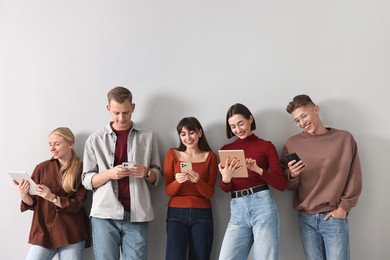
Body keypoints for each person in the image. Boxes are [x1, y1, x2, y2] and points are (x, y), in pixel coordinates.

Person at [82, 86, 162, 260]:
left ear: (133, 107)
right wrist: (109, 174)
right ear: (108, 109)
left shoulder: (148, 137)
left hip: (137, 215)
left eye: (126, 112)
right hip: (104, 215)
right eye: (116, 113)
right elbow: (87, 180)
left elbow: (157, 175)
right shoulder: (95, 140)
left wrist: (146, 172)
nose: (121, 118)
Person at [280, 94, 362, 260]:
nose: (302, 123)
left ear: (316, 109)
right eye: (297, 120)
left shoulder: (344, 139)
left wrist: (343, 209)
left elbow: (354, 176)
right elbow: (287, 184)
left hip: (333, 215)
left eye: (304, 115)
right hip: (306, 219)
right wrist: (292, 175)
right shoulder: (292, 143)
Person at [218, 103, 287, 260]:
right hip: (237, 210)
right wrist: (226, 179)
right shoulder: (226, 150)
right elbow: (224, 188)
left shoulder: (266, 146)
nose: (238, 129)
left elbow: (281, 184)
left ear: (250, 119)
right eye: (233, 126)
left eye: (240, 123)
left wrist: (259, 170)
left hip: (262, 206)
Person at [13, 127, 90, 260]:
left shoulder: (82, 169)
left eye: (57, 144)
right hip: (44, 232)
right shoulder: (42, 168)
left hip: (71, 233)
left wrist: (52, 197)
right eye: (50, 144)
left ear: (70, 144)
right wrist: (24, 195)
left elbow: (77, 204)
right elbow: (33, 203)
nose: (52, 148)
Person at [164, 117, 218, 260]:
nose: (188, 138)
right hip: (176, 214)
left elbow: (209, 193)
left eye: (191, 132)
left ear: (200, 133)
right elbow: (168, 191)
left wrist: (198, 181)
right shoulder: (172, 154)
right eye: (183, 134)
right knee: (174, 257)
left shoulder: (210, 157)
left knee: (201, 256)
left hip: (202, 214)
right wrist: (178, 182)